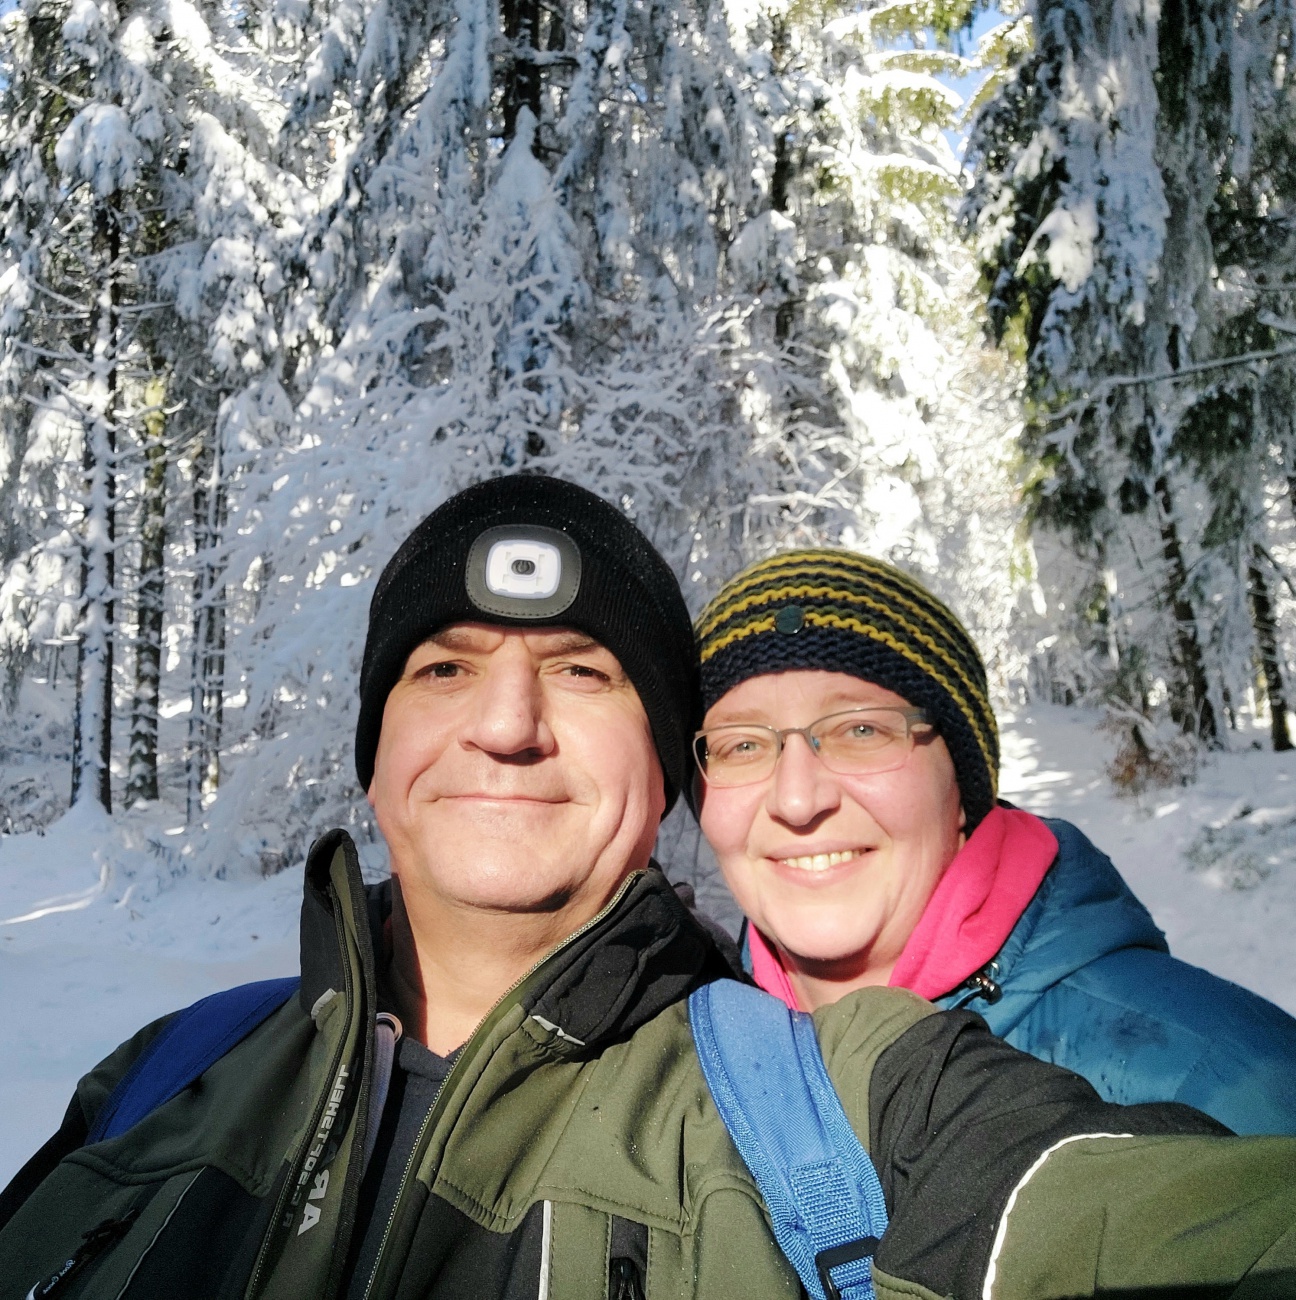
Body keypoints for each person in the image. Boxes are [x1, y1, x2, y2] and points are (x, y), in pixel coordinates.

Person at [1, 479, 1295, 1300]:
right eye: (443, 668)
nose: (506, 724)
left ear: (657, 774)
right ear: (375, 750)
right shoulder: (162, 1074)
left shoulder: (823, 1097)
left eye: (581, 670)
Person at [692, 546, 1296, 1134]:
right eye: (741, 745)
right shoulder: (672, 1082)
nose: (798, 799)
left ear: (961, 782)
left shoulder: (1235, 1091)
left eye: (861, 729)